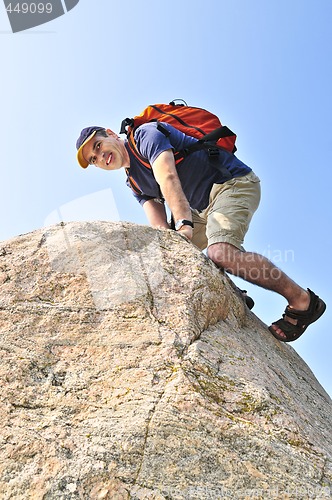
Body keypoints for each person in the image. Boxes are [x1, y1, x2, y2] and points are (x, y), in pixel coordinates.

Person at [75, 121, 326, 342]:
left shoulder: (145, 135)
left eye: (97, 146)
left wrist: (184, 225)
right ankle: (229, 291)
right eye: (94, 160)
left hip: (231, 184)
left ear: (110, 134)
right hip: (201, 209)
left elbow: (168, 178)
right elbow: (159, 228)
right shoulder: (133, 181)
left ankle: (303, 302)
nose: (100, 157)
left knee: (220, 253)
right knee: (167, 258)